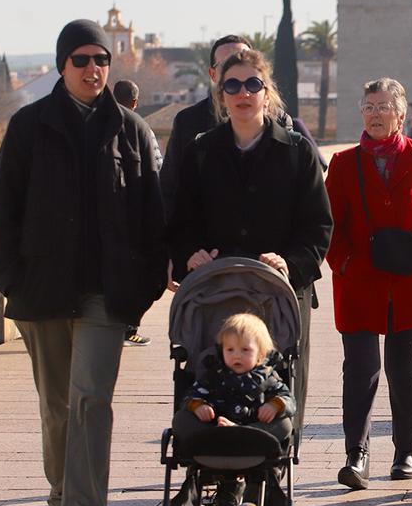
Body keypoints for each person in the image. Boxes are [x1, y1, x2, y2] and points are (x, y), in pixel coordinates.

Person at [0, 19, 167, 506]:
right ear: (63, 65)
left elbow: (152, 219)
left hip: (106, 294)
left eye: (101, 60)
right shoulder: (28, 127)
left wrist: (142, 288)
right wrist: (11, 281)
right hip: (41, 291)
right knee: (57, 406)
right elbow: (4, 214)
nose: (94, 69)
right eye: (82, 60)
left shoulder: (131, 129)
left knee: (91, 397)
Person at [166, 48, 333, 437]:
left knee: (284, 377)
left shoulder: (296, 151)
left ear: (266, 92)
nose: (243, 93)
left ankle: (275, 457)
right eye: (233, 85)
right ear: (221, 94)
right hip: (216, 287)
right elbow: (181, 219)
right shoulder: (202, 151)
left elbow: (318, 225)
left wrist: (289, 262)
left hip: (280, 290)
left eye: (252, 84)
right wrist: (190, 253)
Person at [325, 78, 412, 488]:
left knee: (404, 369)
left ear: (401, 115)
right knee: (361, 368)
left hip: (410, 280)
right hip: (360, 281)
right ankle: (357, 453)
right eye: (368, 106)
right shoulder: (345, 163)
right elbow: (328, 223)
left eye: (384, 107)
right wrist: (345, 263)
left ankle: (406, 449)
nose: (376, 113)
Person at [161, 35, 317, 218]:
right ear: (213, 75)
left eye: (244, 59)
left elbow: (309, 213)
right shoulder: (188, 123)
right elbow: (170, 189)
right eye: (227, 63)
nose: (237, 67)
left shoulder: (281, 123)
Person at [171, 313, 295, 506]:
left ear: (261, 354)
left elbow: (289, 400)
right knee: (181, 419)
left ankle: (240, 432)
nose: (236, 355)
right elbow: (191, 396)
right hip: (215, 436)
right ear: (221, 350)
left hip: (255, 438)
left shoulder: (268, 378)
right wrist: (198, 406)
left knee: (285, 424)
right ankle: (225, 488)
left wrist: (275, 405)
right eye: (230, 350)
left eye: (245, 350)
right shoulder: (213, 375)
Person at [112, 79, 160, 348]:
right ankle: (128, 326)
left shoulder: (96, 125)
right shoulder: (143, 129)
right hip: (137, 215)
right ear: (135, 102)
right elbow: (158, 169)